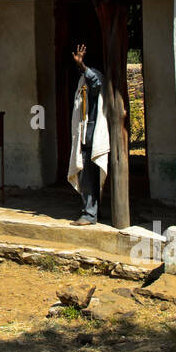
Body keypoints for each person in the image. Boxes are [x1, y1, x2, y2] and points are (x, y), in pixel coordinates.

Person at [68, 42, 110, 226]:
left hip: (92, 137)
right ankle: (93, 211)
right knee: (88, 178)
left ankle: (89, 214)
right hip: (85, 136)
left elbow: (96, 82)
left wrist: (82, 65)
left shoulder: (95, 78)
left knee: (88, 178)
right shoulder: (81, 82)